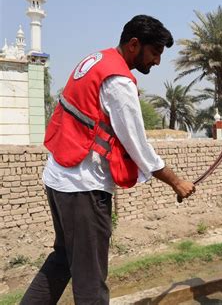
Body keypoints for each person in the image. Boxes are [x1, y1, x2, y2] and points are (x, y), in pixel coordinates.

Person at [21, 15, 195, 305]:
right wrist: (176, 182)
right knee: (91, 282)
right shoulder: (117, 81)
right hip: (83, 188)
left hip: (59, 177)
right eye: (154, 53)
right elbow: (137, 144)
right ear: (134, 45)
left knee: (63, 258)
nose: (156, 61)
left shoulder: (96, 61)